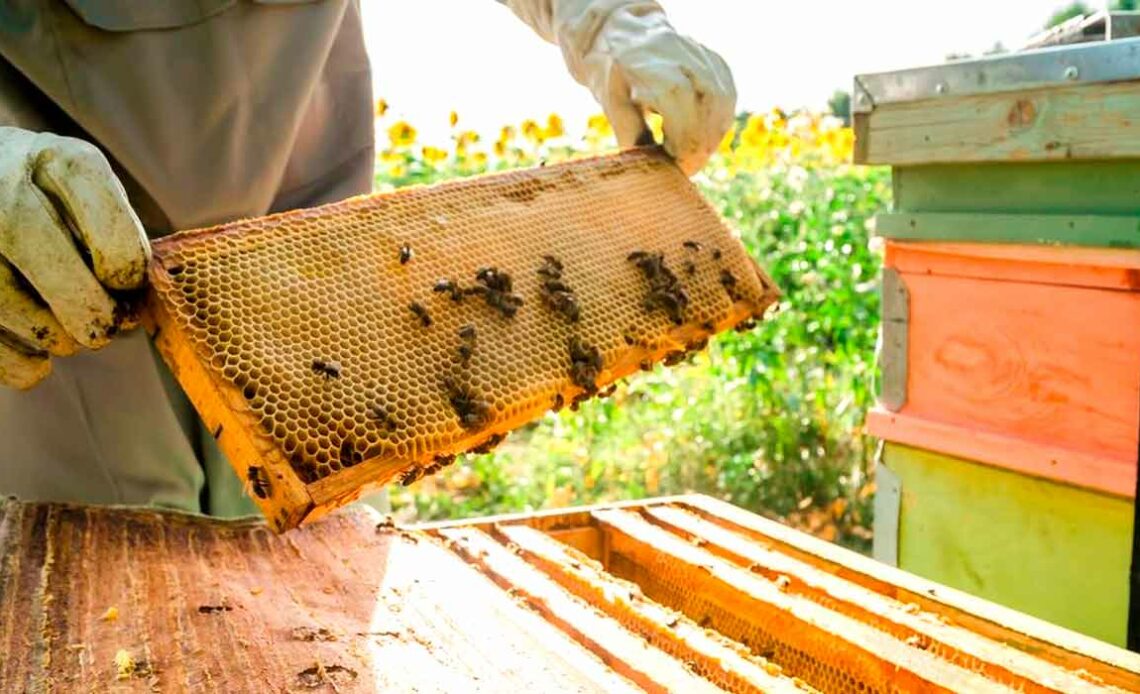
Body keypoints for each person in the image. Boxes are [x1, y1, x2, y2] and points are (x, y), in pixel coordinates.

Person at [0, 0, 736, 517]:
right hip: (64, 276)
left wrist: (613, 17)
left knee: (316, 622)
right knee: (104, 615)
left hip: (330, 296)